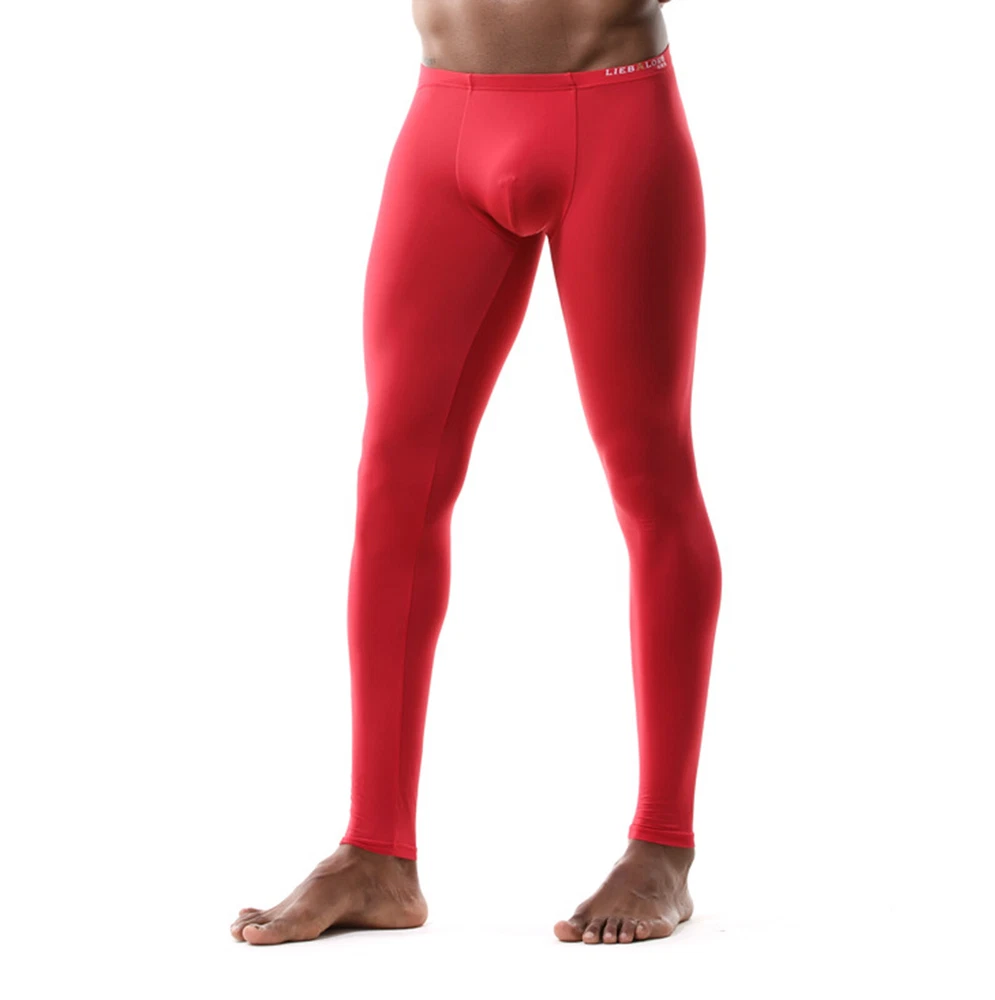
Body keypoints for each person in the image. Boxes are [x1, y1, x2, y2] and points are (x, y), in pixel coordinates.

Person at [230, 0, 721, 947]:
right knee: (393, 482)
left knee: (649, 473)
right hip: (445, 118)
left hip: (615, 108)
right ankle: (376, 853)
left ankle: (663, 843)